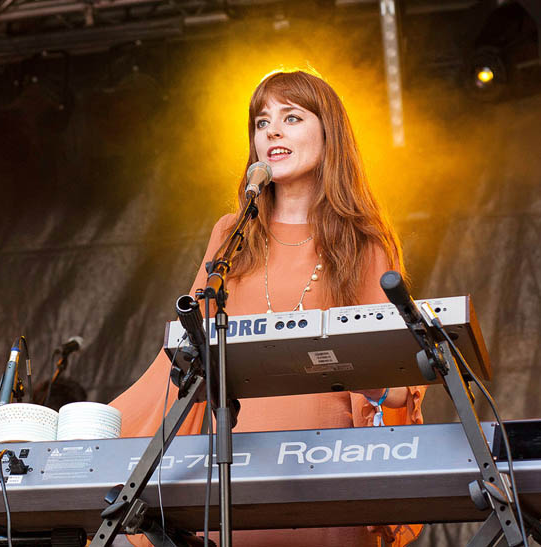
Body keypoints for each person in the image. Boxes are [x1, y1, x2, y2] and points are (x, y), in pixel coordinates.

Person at [110, 70, 426, 547]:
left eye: (291, 117)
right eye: (261, 122)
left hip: (328, 474)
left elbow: (396, 389)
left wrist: (384, 384)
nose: (271, 131)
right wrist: (86, 435)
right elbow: (177, 365)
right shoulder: (230, 234)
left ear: (330, 134)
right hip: (229, 475)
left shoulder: (363, 242)